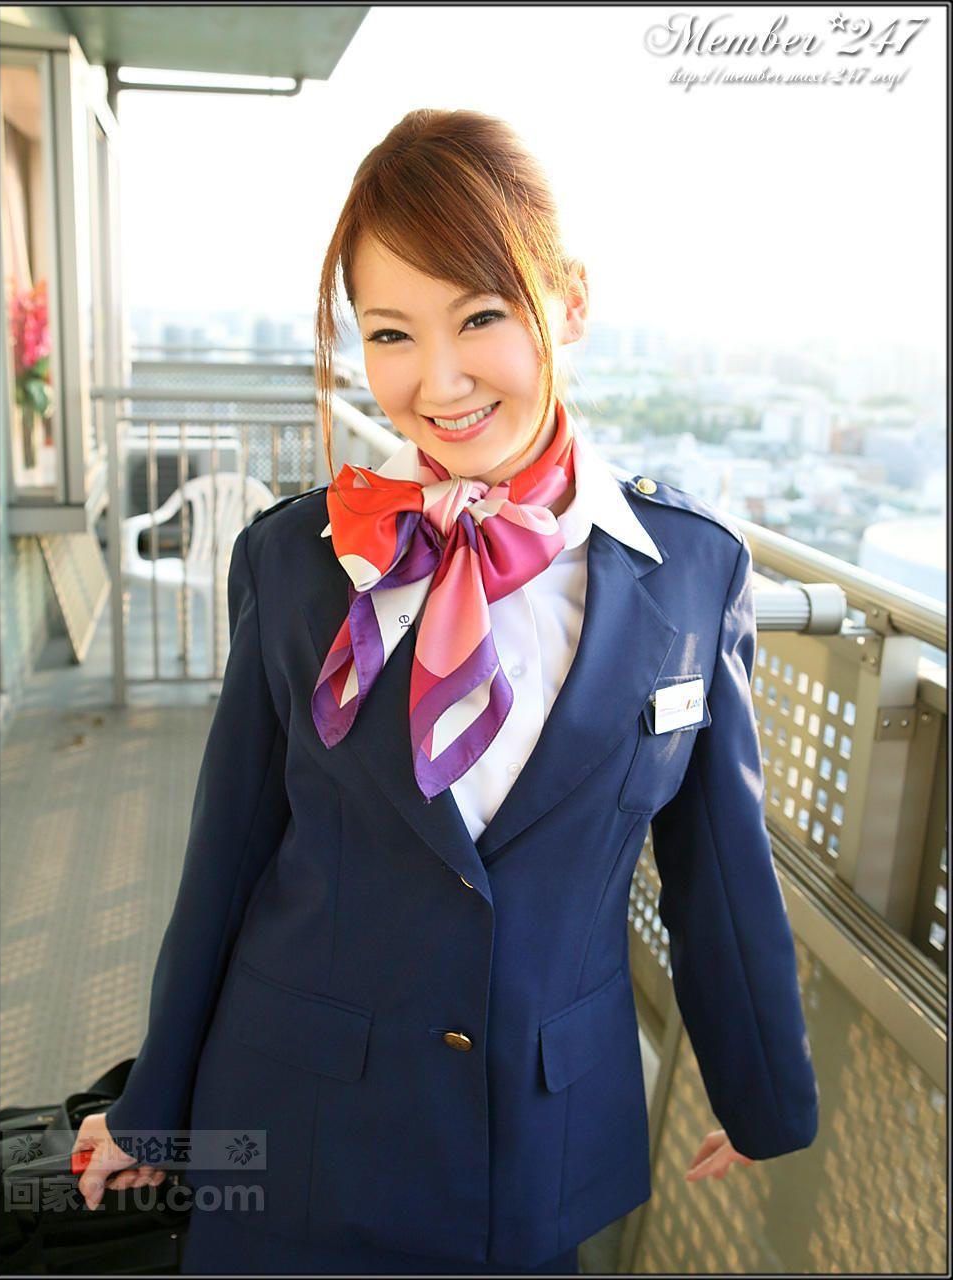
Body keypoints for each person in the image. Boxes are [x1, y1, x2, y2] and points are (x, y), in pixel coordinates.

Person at [73, 108, 819, 1275]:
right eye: (390, 333)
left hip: (534, 1148)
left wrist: (763, 1089)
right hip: (294, 1126)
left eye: (480, 317)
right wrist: (150, 1109)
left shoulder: (693, 571)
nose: (439, 379)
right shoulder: (294, 560)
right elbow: (227, 856)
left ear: (570, 301)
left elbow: (718, 870)